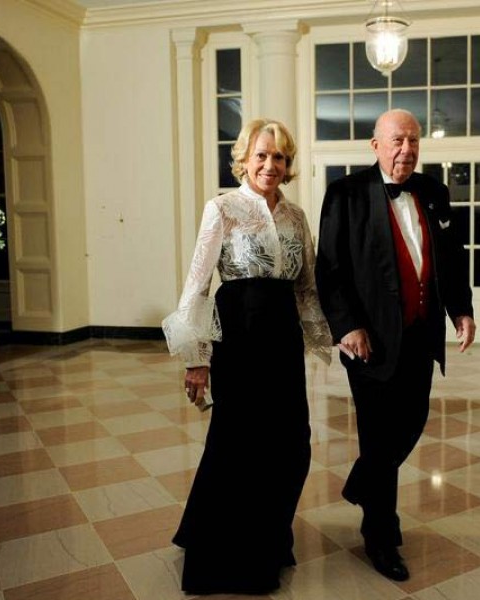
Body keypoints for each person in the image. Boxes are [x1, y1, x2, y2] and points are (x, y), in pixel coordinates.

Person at [162, 118, 331, 595]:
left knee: (292, 443)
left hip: (282, 339)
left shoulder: (296, 216)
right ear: (244, 159)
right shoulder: (223, 209)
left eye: (279, 157)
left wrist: (332, 336)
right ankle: (229, 556)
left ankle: (270, 532)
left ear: (288, 163)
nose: (270, 165)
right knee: (239, 445)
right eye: (261, 155)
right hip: (237, 335)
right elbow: (197, 285)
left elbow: (307, 285)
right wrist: (196, 357)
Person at [314, 108, 476, 582]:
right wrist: (346, 327)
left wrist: (460, 310)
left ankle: (362, 482)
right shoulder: (344, 195)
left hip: (420, 336)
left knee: (412, 421)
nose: (406, 149)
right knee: (380, 436)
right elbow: (331, 271)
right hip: (369, 342)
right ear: (375, 145)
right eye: (397, 141)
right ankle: (380, 535)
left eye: (413, 141)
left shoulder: (434, 192)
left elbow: (451, 258)